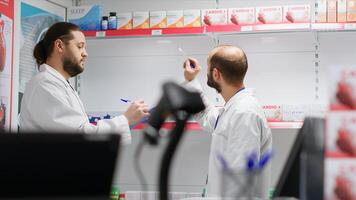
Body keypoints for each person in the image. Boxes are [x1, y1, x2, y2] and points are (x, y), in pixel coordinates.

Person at [20, 22, 149, 144]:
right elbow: (79, 136)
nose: (85, 53)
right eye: (79, 46)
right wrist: (125, 119)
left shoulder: (58, 84)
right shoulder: (44, 85)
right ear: (59, 46)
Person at [182, 45, 272, 198]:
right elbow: (207, 114)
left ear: (216, 74)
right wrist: (191, 81)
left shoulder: (244, 113)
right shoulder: (234, 108)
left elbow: (239, 183)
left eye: (209, 69)